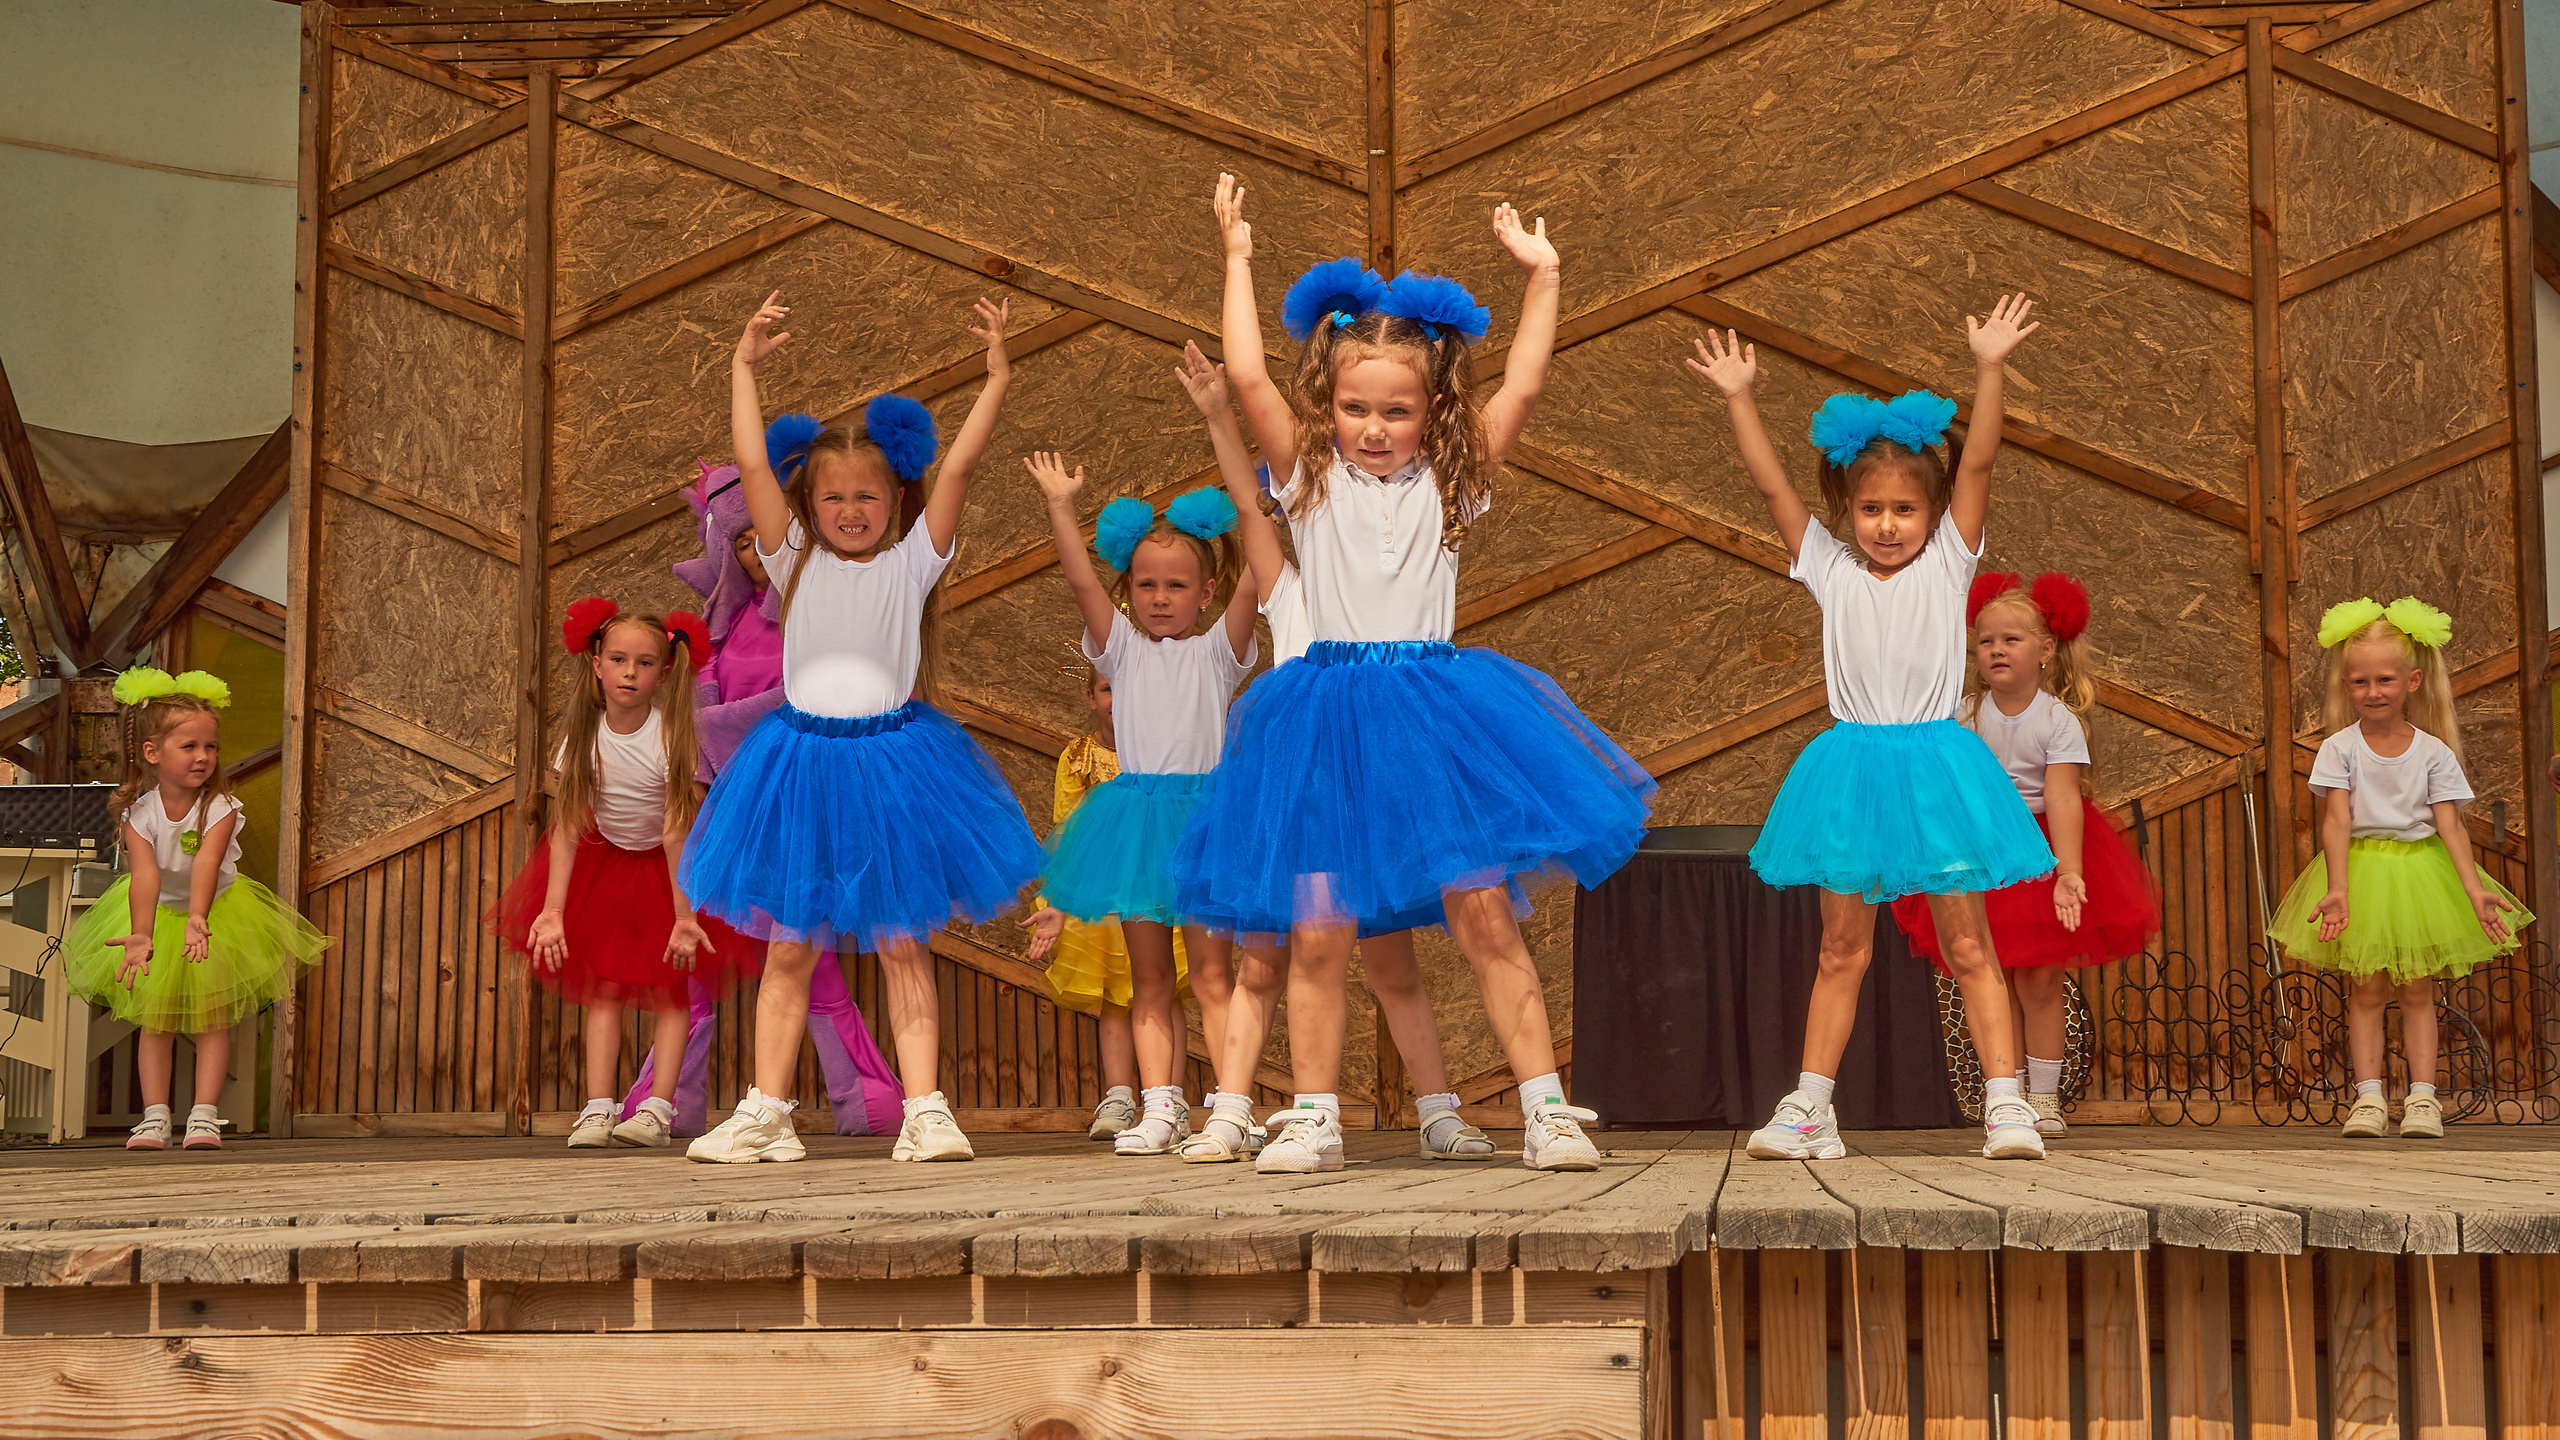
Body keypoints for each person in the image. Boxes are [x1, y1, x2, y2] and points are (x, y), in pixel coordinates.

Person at [1170, 175, 1653, 1174]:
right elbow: (1252, 381)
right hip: (1325, 712)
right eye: (1355, 408)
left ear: (1430, 410)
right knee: (1315, 929)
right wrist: (1235, 258)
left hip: (1432, 711)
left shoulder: (1450, 487)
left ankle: (1545, 1108)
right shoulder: (1305, 481)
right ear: (1330, 407)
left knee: (1481, 912)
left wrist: (1545, 277)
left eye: (1396, 410)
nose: (1375, 428)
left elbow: (1519, 386)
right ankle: (1310, 1113)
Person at [1685, 298, 2057, 1163]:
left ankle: (2008, 1104)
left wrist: (1990, 369)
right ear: (1847, 509)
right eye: (1870, 509)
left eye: (1903, 510)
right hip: (1851, 766)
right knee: (1840, 947)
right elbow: (1773, 485)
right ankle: (1813, 1108)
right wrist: (1739, 397)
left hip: (1935, 764)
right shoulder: (1825, 565)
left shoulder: (1949, 562)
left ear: (1930, 515)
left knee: (1969, 943)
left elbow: (1982, 466)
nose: (1887, 525)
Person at [682, 290, 1043, 1165]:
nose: (850, 510)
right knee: (789, 950)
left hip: (892, 764)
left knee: (901, 945)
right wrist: (741, 368)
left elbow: (955, 472)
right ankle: (767, 1111)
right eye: (834, 496)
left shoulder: (914, 562)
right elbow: (755, 468)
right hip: (800, 767)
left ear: (895, 500)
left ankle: (926, 1110)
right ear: (811, 503)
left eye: (868, 497)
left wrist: (996, 378)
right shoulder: (790, 558)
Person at [1024, 341, 1274, 1155]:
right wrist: (1063, 509)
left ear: (1204, 592)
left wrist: (1257, 483)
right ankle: (1162, 1105)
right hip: (1133, 821)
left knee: (1211, 973)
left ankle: (1228, 1106)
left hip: (1205, 815)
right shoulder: (1121, 649)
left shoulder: (1220, 651)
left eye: (1176, 585)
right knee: (1147, 980)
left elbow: (1254, 576)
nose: (1159, 597)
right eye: (1146, 585)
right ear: (1130, 591)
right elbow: (1082, 583)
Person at [618, 459, 903, 1139]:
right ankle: (664, 1101)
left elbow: (805, 699)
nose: (752, 556)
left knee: (806, 950)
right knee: (697, 946)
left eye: (760, 540)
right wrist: (697, 760)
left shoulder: (809, 616)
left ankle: (866, 1096)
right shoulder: (721, 628)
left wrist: (721, 725)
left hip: (797, 800)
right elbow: (699, 705)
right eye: (738, 544)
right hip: (726, 802)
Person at [1890, 571, 2159, 1134]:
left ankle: (2043, 1098)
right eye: (1986, 641)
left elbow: (2062, 796)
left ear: (2045, 650)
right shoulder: (1963, 716)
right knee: (1992, 970)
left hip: (2041, 853)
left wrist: (2069, 872)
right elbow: (1948, 791)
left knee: (2038, 979)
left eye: (2011, 639)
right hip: (1983, 851)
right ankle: (2003, 1092)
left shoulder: (2058, 720)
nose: (1996, 650)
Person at [494, 601, 754, 1148]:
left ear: (664, 672)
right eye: (618, 659)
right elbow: (567, 825)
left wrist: (685, 916)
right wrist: (554, 910)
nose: (630, 672)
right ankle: (597, 1109)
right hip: (606, 865)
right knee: (605, 990)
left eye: (644, 662)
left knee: (670, 991)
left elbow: (676, 833)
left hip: (672, 872)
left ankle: (658, 1109)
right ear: (597, 664)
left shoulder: (670, 739)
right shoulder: (583, 738)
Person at [2269, 596, 2529, 1139]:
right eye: (2360, 682)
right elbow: (2336, 822)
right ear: (2346, 684)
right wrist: (2338, 887)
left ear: (2412, 681)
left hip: (2418, 876)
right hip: (2363, 875)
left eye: (2385, 680)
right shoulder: (2339, 749)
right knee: (2365, 992)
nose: (2372, 692)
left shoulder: (2433, 752)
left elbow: (2451, 826)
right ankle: (2367, 1099)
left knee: (2416, 992)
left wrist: (2473, 890)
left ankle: (2422, 1099)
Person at [64, 668, 329, 1150]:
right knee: (155, 1019)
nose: (203, 757)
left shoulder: (220, 806)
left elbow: (207, 862)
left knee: (212, 1018)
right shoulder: (137, 814)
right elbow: (144, 876)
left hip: (217, 914)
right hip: (160, 918)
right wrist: (141, 933)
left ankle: (205, 1116)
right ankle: (154, 1117)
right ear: (152, 752)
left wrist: (199, 917)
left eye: (211, 747)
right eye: (189, 746)